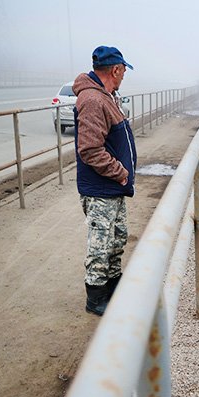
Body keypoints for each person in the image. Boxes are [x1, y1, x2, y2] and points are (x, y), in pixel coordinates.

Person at [73, 45, 137, 316]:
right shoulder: (93, 100)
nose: (124, 76)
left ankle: (113, 286)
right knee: (100, 243)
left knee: (117, 237)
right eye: (123, 72)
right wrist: (120, 172)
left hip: (112, 187)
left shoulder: (106, 96)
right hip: (101, 188)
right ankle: (96, 297)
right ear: (116, 70)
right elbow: (89, 149)